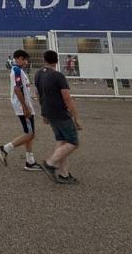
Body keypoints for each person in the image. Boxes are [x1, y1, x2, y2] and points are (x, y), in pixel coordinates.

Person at [34, 50, 82, 185]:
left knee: (62, 140)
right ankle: (50, 163)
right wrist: (76, 117)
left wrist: (44, 112)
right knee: (73, 141)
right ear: (56, 61)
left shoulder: (38, 74)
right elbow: (66, 98)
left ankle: (64, 174)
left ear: (44, 59)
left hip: (49, 111)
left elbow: (38, 94)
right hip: (60, 112)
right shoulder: (58, 76)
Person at [0, 50, 42, 171]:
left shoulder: (19, 71)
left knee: (29, 134)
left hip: (25, 106)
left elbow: (23, 89)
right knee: (30, 134)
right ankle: (5, 149)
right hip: (23, 108)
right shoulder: (16, 70)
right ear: (19, 59)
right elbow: (17, 89)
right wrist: (25, 107)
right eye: (25, 60)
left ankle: (30, 161)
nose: (27, 62)